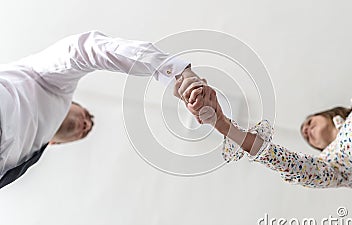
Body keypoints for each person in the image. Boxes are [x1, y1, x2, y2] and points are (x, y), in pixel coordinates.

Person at [0, 30, 202, 189]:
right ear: (73, 103)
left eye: (85, 132)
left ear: (56, 143)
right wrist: (176, 72)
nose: (86, 124)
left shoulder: (27, 156)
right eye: (87, 115)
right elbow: (85, 50)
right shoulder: (53, 85)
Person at [175, 79, 352, 190]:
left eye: (309, 122)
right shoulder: (333, 164)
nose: (305, 130)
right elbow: (290, 164)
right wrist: (224, 126)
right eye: (308, 137)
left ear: (327, 114)